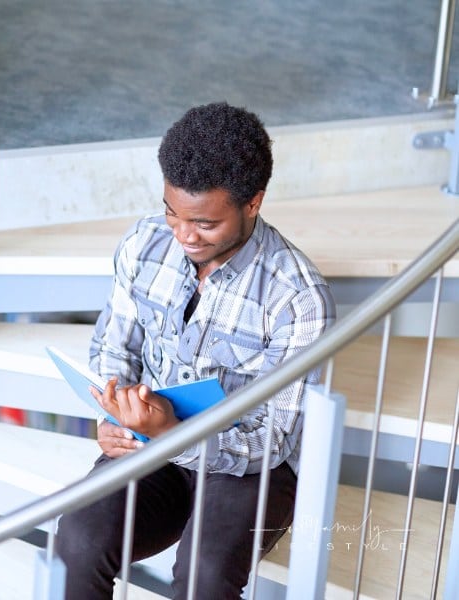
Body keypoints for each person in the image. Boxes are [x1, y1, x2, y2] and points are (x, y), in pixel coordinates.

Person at [54, 102, 336, 599]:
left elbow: (275, 440)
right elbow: (114, 345)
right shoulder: (144, 243)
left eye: (204, 223)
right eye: (172, 212)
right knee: (78, 537)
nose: (183, 235)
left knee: (203, 576)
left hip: (252, 470)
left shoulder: (298, 298)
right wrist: (116, 411)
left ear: (253, 203)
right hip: (149, 441)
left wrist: (173, 434)